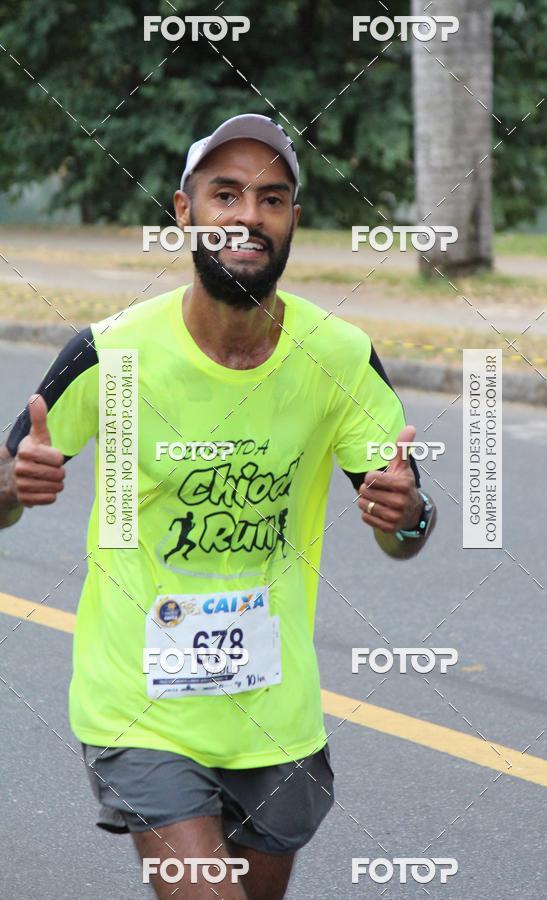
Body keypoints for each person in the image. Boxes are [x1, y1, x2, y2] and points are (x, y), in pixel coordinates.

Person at [0, 113, 437, 899]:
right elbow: (3, 485)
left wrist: (403, 515)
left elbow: (408, 529)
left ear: (294, 220)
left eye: (271, 199)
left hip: (276, 710)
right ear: (184, 212)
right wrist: (13, 487)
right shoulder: (112, 352)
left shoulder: (338, 356)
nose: (247, 215)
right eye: (225, 194)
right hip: (140, 704)